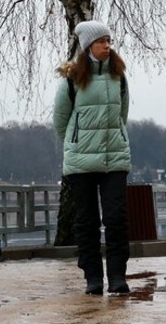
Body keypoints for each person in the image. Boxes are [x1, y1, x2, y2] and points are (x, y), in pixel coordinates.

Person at [53, 20, 131, 295]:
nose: (107, 46)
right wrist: (76, 143)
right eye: (101, 41)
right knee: (86, 221)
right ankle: (93, 278)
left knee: (116, 218)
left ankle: (118, 276)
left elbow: (122, 114)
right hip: (81, 161)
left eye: (109, 41)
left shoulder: (118, 75)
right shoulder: (72, 79)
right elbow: (61, 121)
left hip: (114, 158)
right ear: (88, 45)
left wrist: (116, 139)